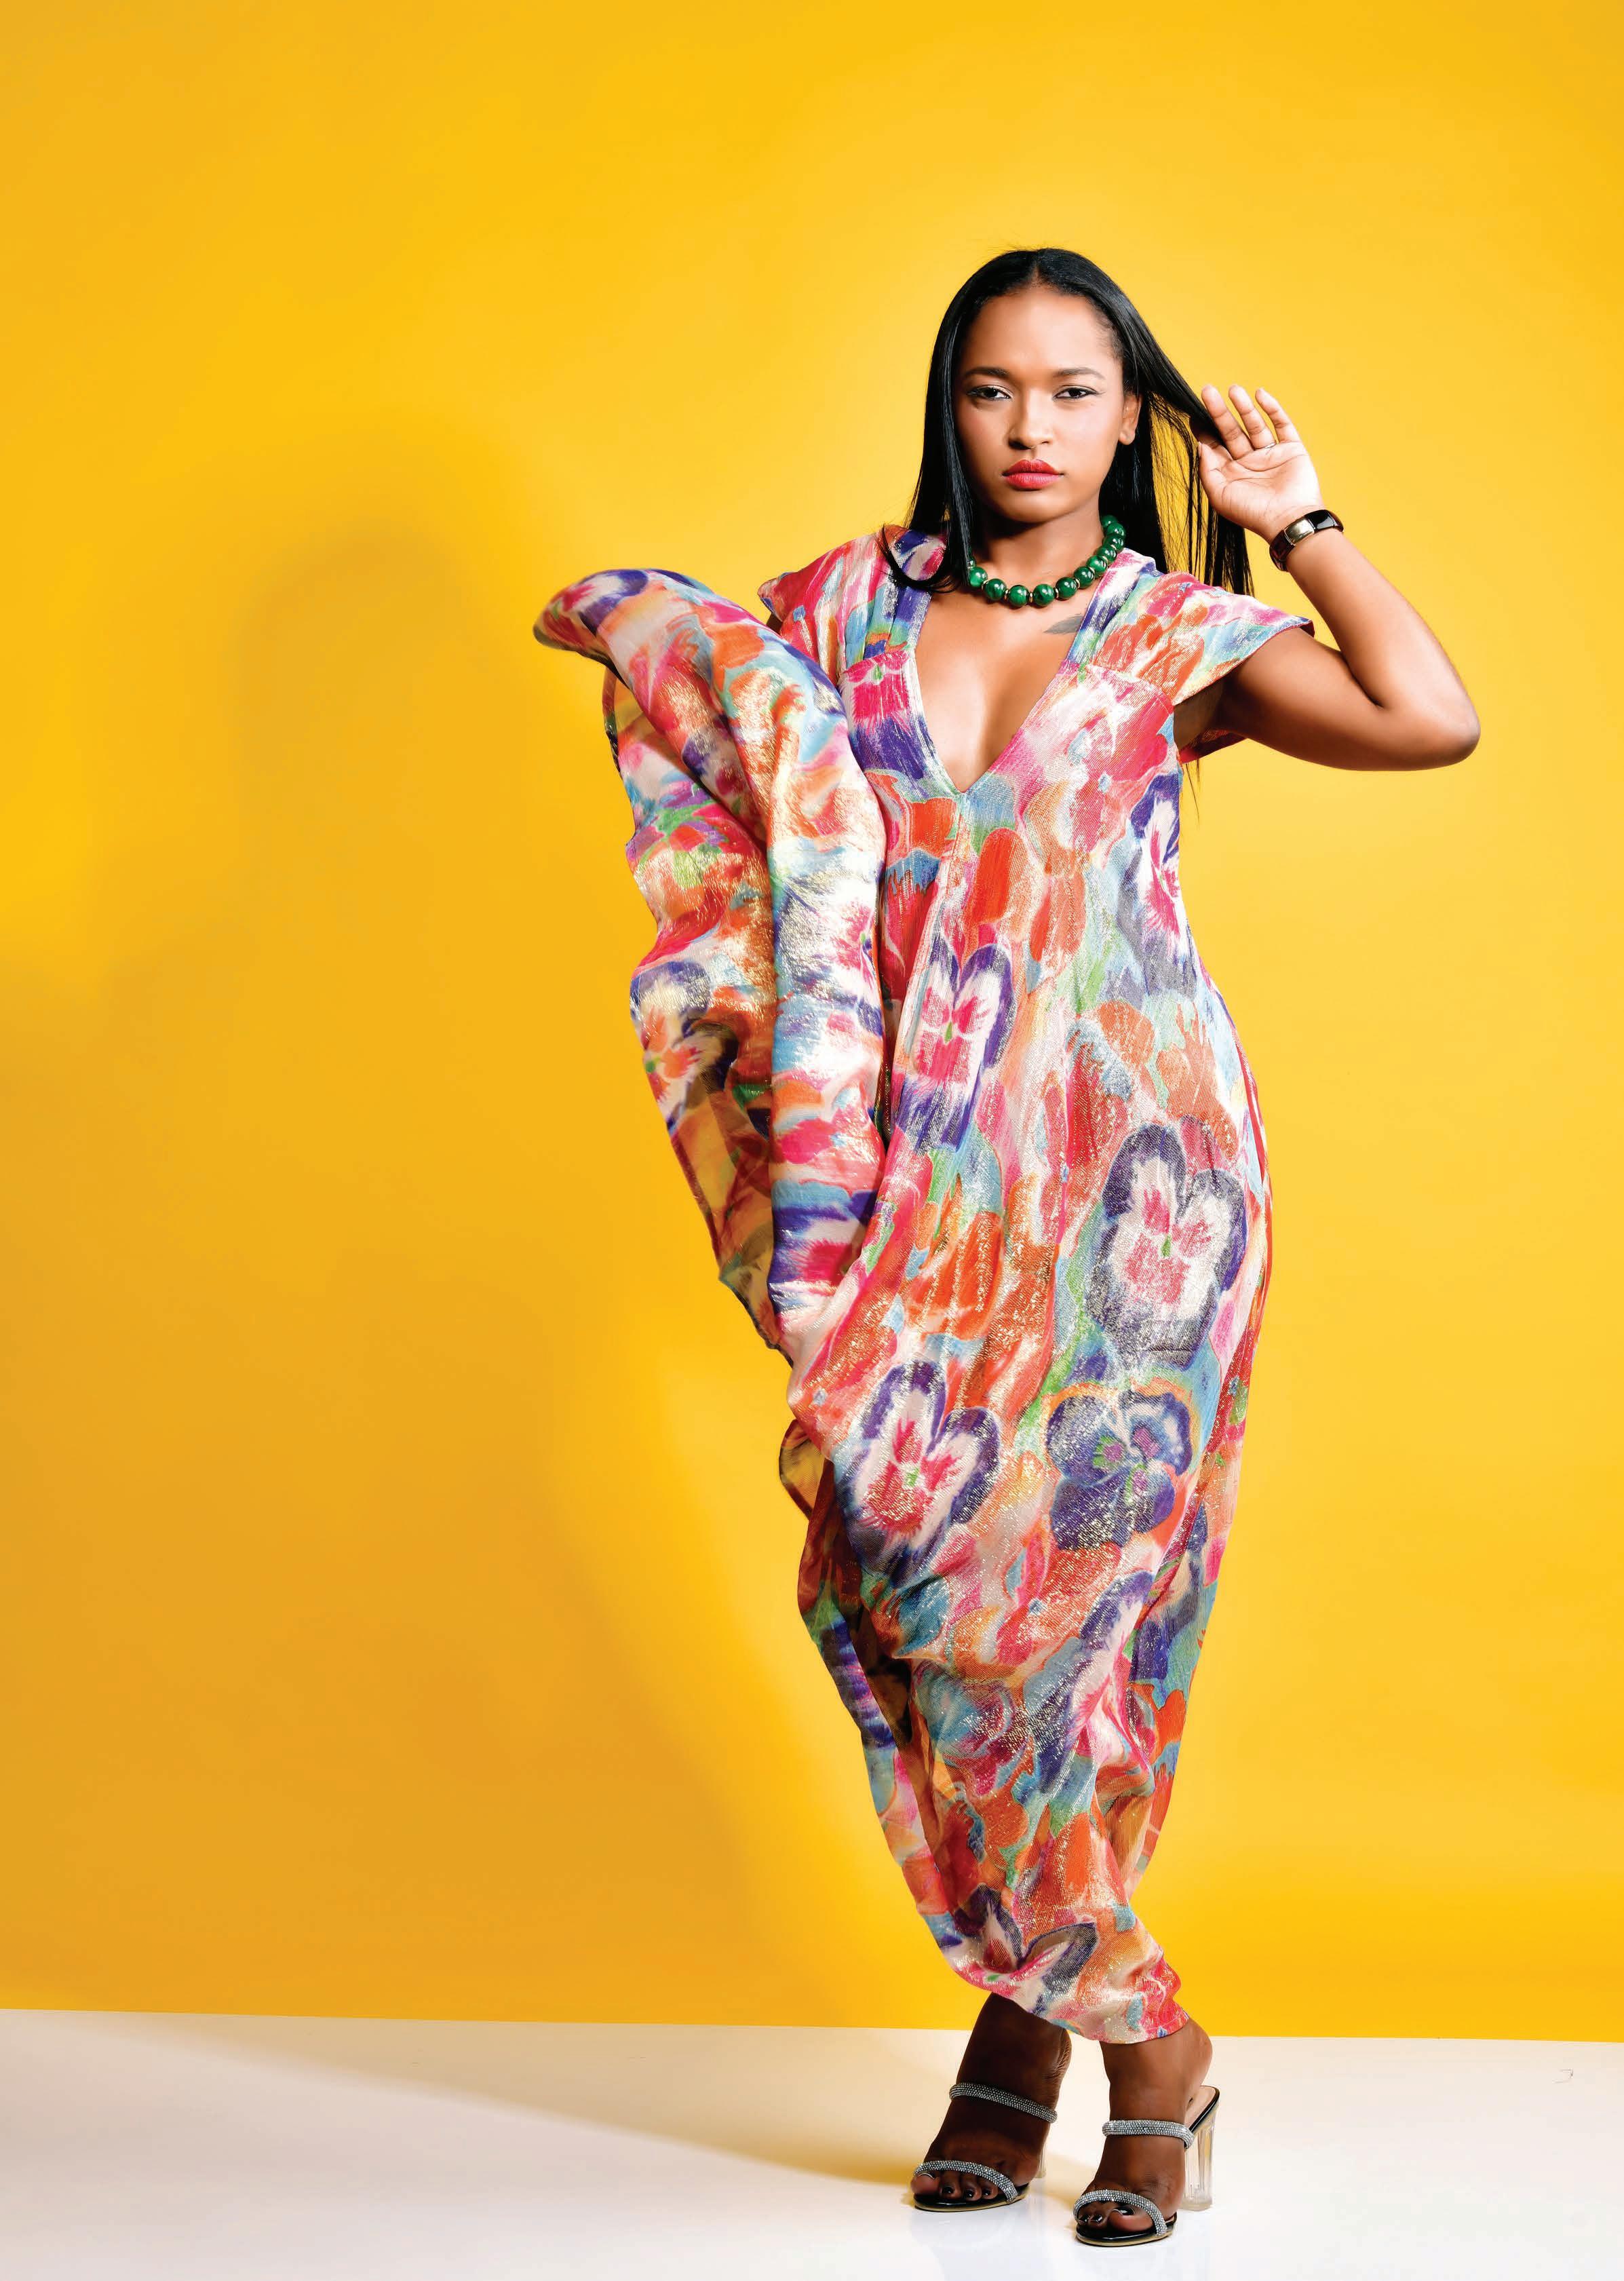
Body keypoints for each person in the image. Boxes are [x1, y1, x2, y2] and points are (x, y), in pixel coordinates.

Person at [534, 244, 1477, 2247]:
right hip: (909, 1188)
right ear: (947, 405)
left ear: (1132, 420)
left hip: (1141, 1198)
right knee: (931, 1579)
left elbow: (1428, 720)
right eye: (992, 388)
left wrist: (1299, 524)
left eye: (1071, 391)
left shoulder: (1179, 636)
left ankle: (1057, 2035)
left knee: (1084, 1635)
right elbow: (717, 779)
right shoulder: (833, 616)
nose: (1029, 427)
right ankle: (1132, 2027)